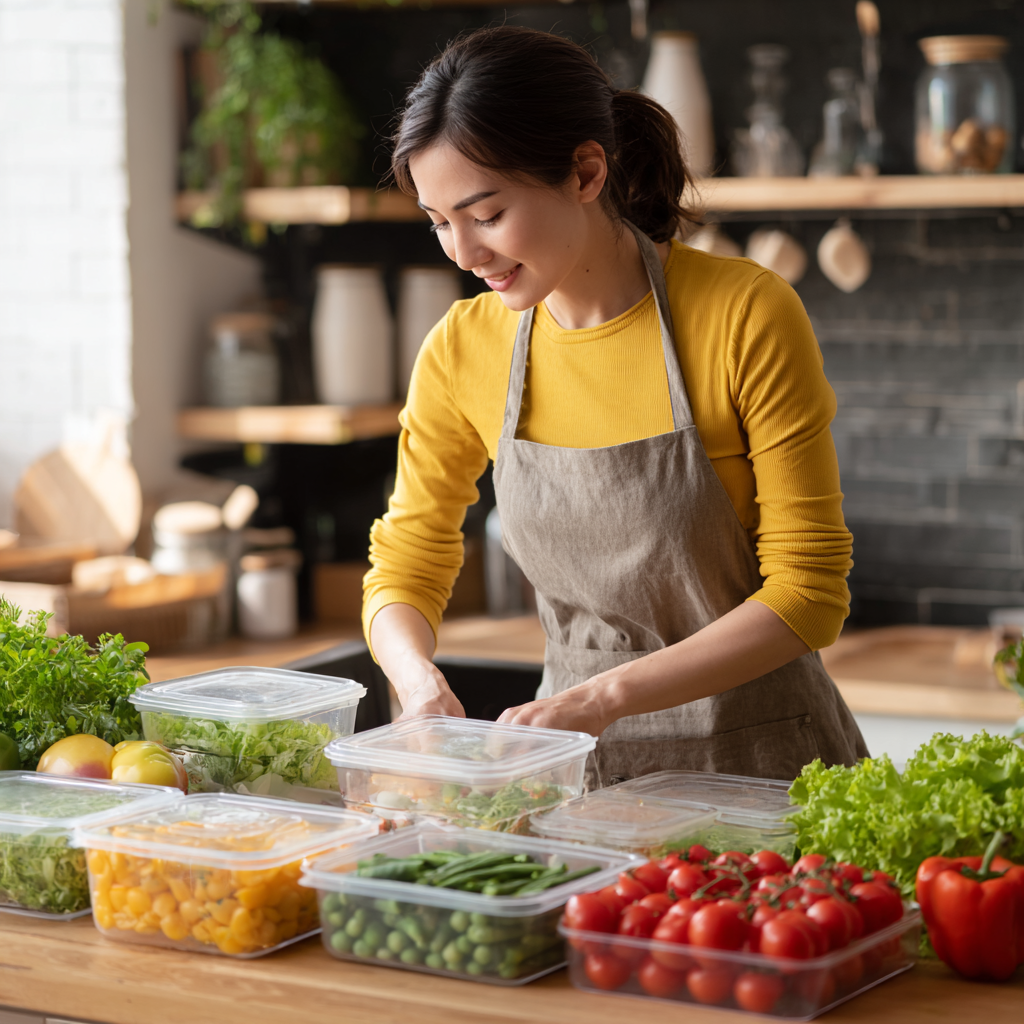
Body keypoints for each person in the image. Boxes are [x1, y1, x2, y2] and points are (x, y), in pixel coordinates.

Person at [363, 26, 867, 785]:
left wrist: (604, 697)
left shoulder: (744, 314)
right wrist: (417, 682)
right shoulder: (464, 347)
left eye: (486, 213)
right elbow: (405, 563)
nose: (463, 253)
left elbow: (810, 592)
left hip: (768, 771)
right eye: (440, 222)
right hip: (575, 775)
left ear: (586, 172)